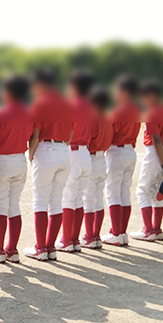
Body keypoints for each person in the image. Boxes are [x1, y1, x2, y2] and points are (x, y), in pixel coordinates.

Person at [0, 74, 33, 263]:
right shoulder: (29, 113)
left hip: (0, 160)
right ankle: (12, 249)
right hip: (20, 159)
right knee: (14, 205)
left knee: (0, 207)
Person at [25, 67, 72, 261]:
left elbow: (35, 135)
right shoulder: (67, 104)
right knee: (56, 201)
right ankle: (51, 247)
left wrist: (31, 154)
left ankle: (40, 247)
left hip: (46, 149)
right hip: (63, 150)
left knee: (40, 200)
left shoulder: (40, 104)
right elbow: (70, 135)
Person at [131, 81, 163, 241]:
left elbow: (156, 139)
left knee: (143, 190)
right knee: (157, 193)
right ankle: (157, 230)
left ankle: (148, 230)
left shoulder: (152, 112)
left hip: (156, 152)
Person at [56, 70, 95, 252]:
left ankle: (66, 239)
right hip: (85, 152)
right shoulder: (90, 106)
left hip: (72, 150)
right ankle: (74, 239)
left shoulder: (70, 105)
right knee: (78, 198)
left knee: (68, 197)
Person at [103, 76, 141, 246]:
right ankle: (121, 232)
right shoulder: (136, 109)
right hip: (130, 151)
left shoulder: (118, 110)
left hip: (115, 150)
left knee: (112, 193)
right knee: (124, 192)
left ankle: (117, 232)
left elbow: (109, 133)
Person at [82, 87, 113, 249]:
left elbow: (87, 139)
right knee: (98, 199)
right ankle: (96, 235)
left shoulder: (93, 119)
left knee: (88, 199)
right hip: (102, 158)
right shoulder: (107, 119)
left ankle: (89, 235)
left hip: (92, 157)